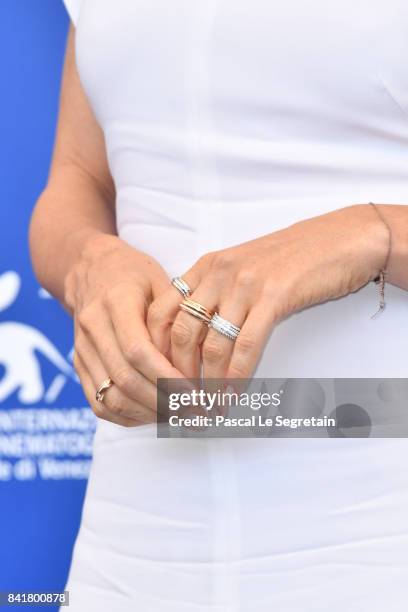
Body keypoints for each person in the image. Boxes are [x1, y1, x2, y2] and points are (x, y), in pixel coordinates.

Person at [29, 1, 408, 609]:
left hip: (382, 527)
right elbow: (78, 180)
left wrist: (368, 235)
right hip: (132, 540)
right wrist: (90, 265)